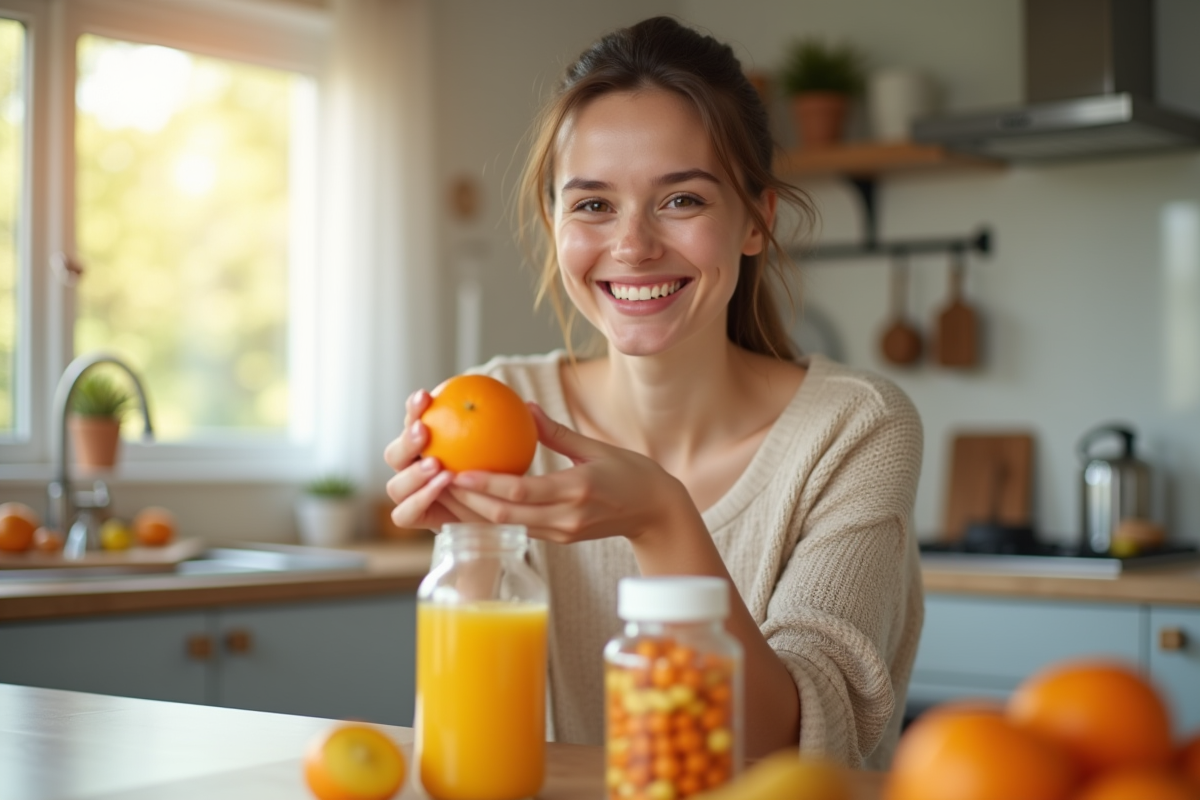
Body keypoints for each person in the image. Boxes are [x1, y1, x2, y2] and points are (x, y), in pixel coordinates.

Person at [384, 16, 923, 769]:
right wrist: (472, 537)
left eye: (682, 201)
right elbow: (464, 739)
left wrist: (664, 520)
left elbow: (798, 753)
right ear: (555, 223)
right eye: (594, 204)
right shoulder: (504, 406)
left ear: (756, 222)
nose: (632, 245)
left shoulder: (855, 428)